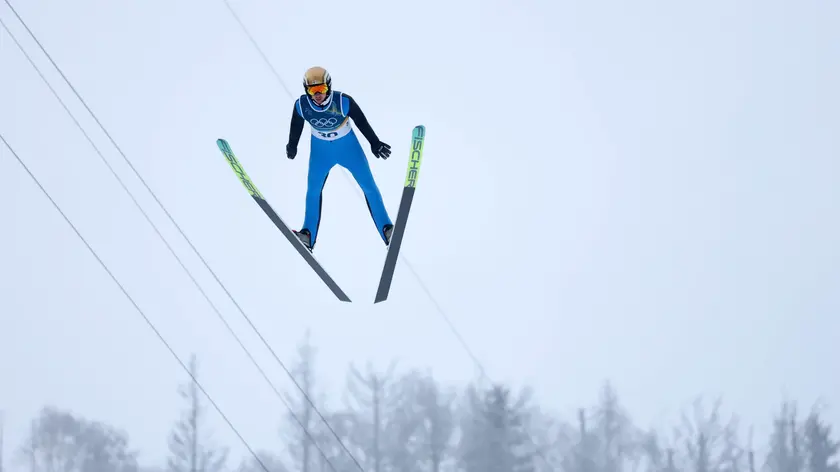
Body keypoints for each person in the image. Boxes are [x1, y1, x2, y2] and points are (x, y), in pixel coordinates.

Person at [285, 66, 394, 251]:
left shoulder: (342, 101)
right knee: (313, 191)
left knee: (369, 187)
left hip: (349, 149)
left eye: (321, 89)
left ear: (329, 86)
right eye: (312, 90)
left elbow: (361, 121)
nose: (317, 95)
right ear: (306, 90)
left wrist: (374, 142)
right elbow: (296, 124)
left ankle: (387, 229)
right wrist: (292, 145)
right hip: (321, 153)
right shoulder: (302, 105)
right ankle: (307, 235)